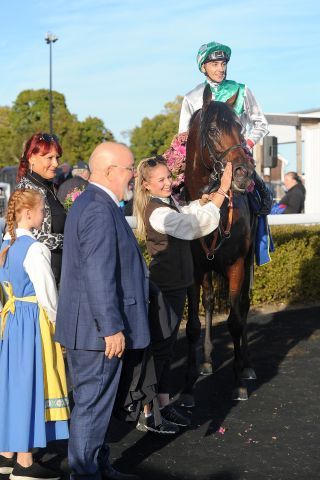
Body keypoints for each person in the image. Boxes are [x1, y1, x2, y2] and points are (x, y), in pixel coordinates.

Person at [55, 142, 150, 480]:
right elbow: (97, 272)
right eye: (130, 168)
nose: (134, 174)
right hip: (97, 333)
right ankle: (85, 474)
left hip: (92, 330)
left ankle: (97, 465)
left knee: (97, 406)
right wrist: (111, 327)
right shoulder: (97, 207)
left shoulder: (94, 203)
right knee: (92, 408)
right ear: (110, 171)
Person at [133, 156, 232, 434]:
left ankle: (162, 405)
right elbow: (190, 227)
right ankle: (149, 413)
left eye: (168, 177)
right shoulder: (156, 211)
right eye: (161, 179)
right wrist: (221, 193)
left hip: (176, 285)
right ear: (146, 184)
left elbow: (183, 212)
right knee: (160, 350)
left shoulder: (166, 204)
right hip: (165, 286)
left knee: (166, 347)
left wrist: (201, 203)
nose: (168, 183)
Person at [0, 189, 69, 480]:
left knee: (14, 384)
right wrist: (60, 330)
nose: (44, 217)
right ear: (28, 214)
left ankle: (5, 455)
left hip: (12, 320)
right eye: (42, 211)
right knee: (31, 384)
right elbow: (49, 298)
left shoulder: (5, 245)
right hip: (32, 322)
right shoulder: (34, 248)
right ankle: (25, 462)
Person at [179, 41, 272, 215]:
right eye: (214, 64)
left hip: (237, 153)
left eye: (223, 64)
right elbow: (183, 135)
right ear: (203, 67)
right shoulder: (191, 98)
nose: (221, 69)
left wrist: (246, 144)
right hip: (205, 159)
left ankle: (262, 217)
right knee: (176, 192)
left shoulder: (241, 90)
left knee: (259, 202)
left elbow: (261, 123)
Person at [16, 133, 66, 285]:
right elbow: (28, 235)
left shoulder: (46, 186)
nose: (56, 163)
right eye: (49, 158)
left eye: (57, 158)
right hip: (42, 281)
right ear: (31, 158)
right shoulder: (28, 190)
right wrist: (70, 240)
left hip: (55, 274)